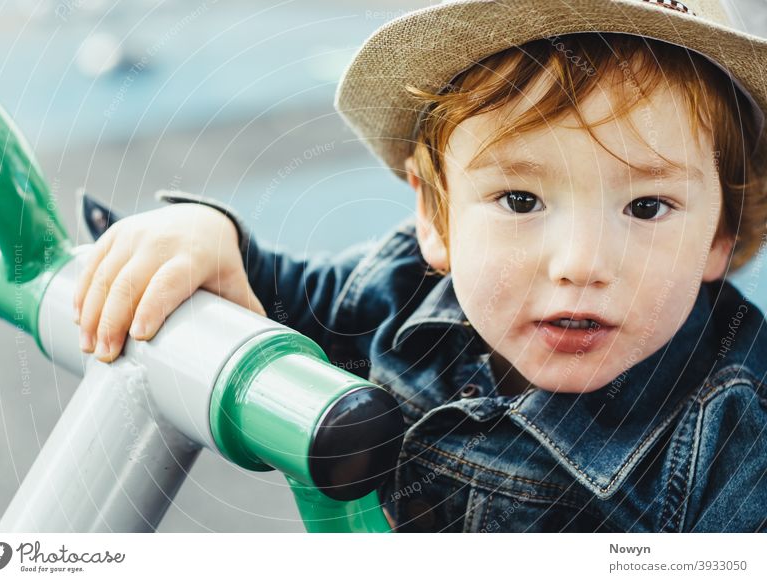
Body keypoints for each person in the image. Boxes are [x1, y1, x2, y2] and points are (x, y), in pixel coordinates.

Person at [73, 0, 767, 532]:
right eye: (520, 198)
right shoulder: (401, 288)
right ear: (436, 219)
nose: (581, 264)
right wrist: (208, 233)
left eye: (647, 207)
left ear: (718, 235)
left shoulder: (739, 429)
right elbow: (272, 290)